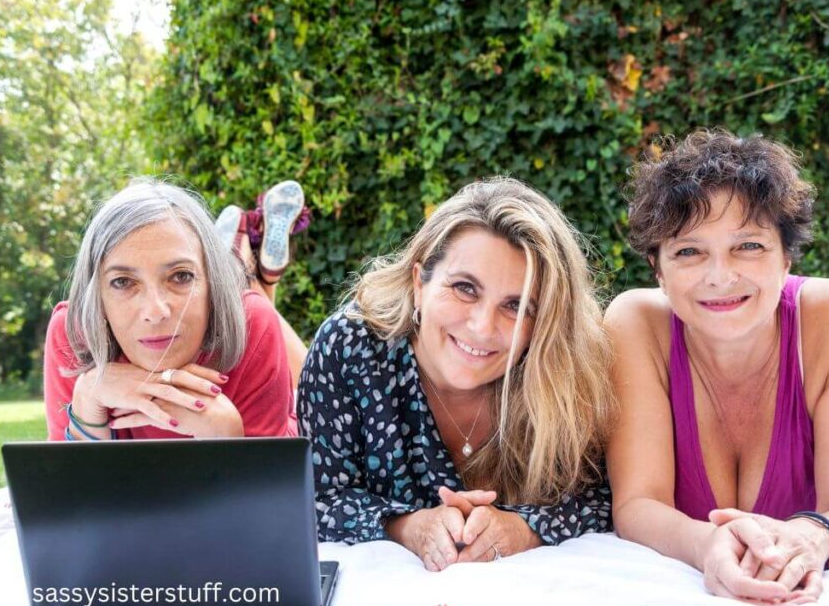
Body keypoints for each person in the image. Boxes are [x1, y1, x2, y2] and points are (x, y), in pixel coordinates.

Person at [605, 130, 829, 606]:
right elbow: (637, 506)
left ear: (787, 256)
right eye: (689, 252)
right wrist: (706, 546)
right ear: (658, 270)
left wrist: (807, 538)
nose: (720, 276)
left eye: (749, 246)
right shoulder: (636, 323)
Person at [299, 177, 615, 571]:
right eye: (465, 288)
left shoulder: (563, 375)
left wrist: (522, 529)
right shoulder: (350, 348)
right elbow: (318, 499)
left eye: (516, 306)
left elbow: (606, 498)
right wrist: (409, 527)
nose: (483, 327)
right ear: (419, 283)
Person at [44, 179, 297, 441]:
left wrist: (227, 434)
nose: (155, 311)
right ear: (96, 295)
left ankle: (245, 268)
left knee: (299, 367)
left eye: (181, 276)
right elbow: (69, 480)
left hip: (295, 420)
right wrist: (86, 401)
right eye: (122, 282)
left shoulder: (251, 321)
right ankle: (243, 265)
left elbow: (270, 477)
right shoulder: (74, 333)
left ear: (211, 283)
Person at [214, 180, 312, 391]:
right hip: (314, 410)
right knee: (311, 385)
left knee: (311, 384)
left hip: (310, 410)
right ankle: (250, 279)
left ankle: (250, 278)